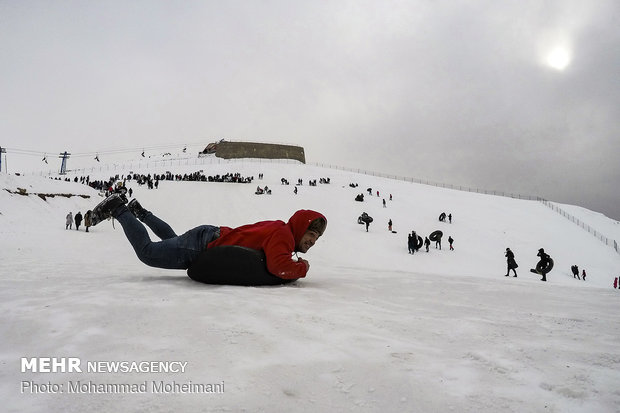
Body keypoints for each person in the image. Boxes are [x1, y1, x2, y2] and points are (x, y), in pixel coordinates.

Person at [89, 194, 327, 281]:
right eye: (311, 234)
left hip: (208, 237)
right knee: (148, 253)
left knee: (170, 241)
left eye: (317, 238)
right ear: (301, 226)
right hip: (205, 244)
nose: (313, 241)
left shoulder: (281, 229)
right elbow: (278, 267)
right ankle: (118, 207)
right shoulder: (284, 235)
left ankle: (141, 213)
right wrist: (302, 267)